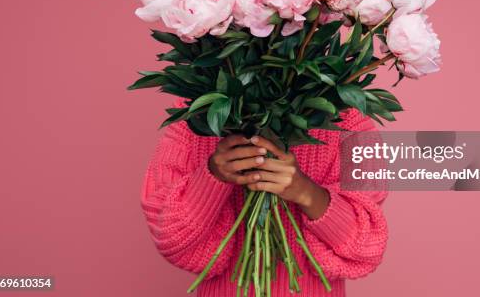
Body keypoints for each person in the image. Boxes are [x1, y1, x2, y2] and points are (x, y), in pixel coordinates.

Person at [141, 98, 388, 297]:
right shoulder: (194, 115)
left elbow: (366, 245)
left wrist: (307, 193)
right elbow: (169, 237)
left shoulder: (348, 119)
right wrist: (212, 176)